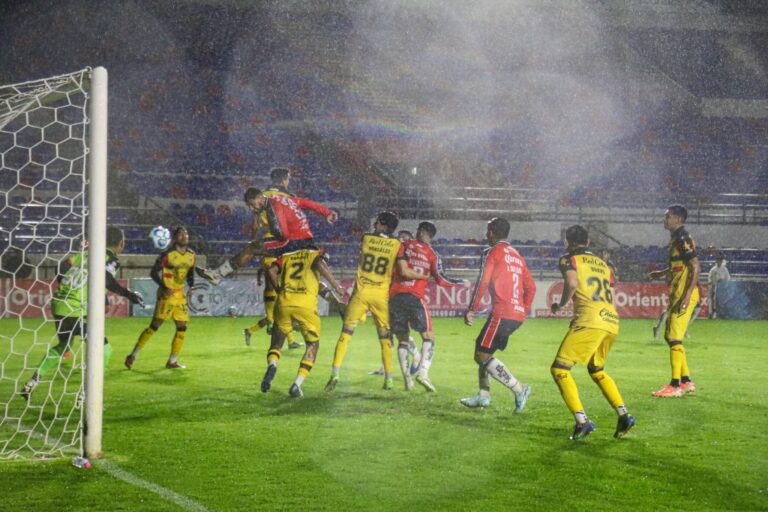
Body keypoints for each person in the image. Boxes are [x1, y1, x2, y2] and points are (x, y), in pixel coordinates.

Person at [22, 227, 144, 399]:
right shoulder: (111, 258)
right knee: (105, 349)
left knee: (63, 346)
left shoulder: (85, 253)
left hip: (59, 304)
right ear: (121, 243)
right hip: (76, 309)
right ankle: (87, 393)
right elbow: (105, 278)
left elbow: (62, 266)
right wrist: (129, 294)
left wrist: (69, 286)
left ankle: (32, 382)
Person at [550, 225, 635, 440]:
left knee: (560, 369)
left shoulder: (569, 259)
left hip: (591, 320)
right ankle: (624, 415)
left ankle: (582, 421)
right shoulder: (604, 265)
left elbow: (571, 282)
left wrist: (561, 306)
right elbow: (612, 296)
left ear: (567, 243)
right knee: (597, 369)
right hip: (611, 320)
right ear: (588, 243)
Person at [325, 212, 426, 391]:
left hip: (362, 293)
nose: (375, 225)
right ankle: (388, 379)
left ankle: (335, 374)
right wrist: (424, 275)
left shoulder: (366, 238)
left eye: (378, 222)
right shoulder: (397, 245)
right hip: (381, 296)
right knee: (384, 338)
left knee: (346, 334)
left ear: (384, 225)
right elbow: (402, 270)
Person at [460, 217, 535, 412]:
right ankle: (483, 396)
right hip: (515, 314)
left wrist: (471, 309)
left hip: (502, 312)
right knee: (483, 348)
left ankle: (520, 389)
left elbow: (483, 282)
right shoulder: (518, 256)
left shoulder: (493, 252)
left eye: (487, 231)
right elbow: (531, 288)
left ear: (492, 233)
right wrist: (523, 311)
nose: (486, 235)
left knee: (481, 355)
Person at [259, 247, 345, 397]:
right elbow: (319, 267)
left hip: (284, 304)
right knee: (312, 345)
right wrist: (336, 287)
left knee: (276, 344)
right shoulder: (315, 256)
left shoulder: (286, 256)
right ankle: (297, 384)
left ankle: (272, 365)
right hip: (305, 307)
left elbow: (271, 271)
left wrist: (279, 290)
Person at [390, 221, 464, 392]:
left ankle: (407, 381)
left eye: (419, 230)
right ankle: (423, 373)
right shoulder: (433, 254)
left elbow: (397, 268)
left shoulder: (403, 245)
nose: (417, 232)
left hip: (395, 296)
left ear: (422, 232)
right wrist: (459, 282)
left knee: (402, 339)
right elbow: (441, 279)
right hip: (415, 297)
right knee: (428, 336)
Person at [124, 227, 198, 370]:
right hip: (167, 296)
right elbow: (153, 273)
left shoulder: (191, 255)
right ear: (175, 238)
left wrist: (192, 286)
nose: (185, 236)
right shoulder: (168, 255)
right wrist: (164, 286)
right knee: (154, 326)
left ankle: (172, 361)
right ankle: (132, 355)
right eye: (181, 234)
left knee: (182, 328)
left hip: (180, 295)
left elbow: (190, 273)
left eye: (186, 233)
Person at [648, 205, 700, 397]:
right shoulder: (676, 238)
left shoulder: (683, 237)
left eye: (667, 216)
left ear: (677, 219)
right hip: (678, 292)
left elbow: (695, 266)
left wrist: (687, 295)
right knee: (670, 337)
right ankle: (685, 381)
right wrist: (661, 273)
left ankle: (674, 385)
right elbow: (681, 265)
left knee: (673, 337)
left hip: (683, 293)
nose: (665, 219)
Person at [369, 228, 420, 377]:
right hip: (387, 294)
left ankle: (415, 355)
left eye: (405, 237)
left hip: (400, 297)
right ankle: (386, 366)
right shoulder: (395, 254)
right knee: (388, 330)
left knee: (397, 331)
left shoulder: (408, 258)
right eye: (400, 237)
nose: (401, 239)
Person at [707, 254, 730, 319]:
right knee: (713, 299)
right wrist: (710, 282)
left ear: (722, 261)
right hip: (714, 286)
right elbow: (709, 277)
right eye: (718, 260)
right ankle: (711, 313)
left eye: (720, 260)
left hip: (722, 287)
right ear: (716, 261)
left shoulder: (725, 269)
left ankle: (720, 313)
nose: (719, 261)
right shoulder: (713, 269)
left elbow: (728, 278)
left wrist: (723, 281)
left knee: (721, 300)